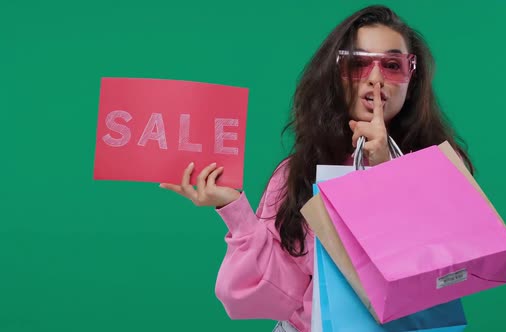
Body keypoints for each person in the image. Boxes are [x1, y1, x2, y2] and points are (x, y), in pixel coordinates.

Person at [159, 4, 474, 332]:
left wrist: (387, 171)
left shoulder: (440, 168)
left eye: (393, 65)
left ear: (412, 78)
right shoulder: (299, 173)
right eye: (358, 64)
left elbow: (454, 272)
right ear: (336, 75)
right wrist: (232, 207)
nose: (376, 78)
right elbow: (281, 294)